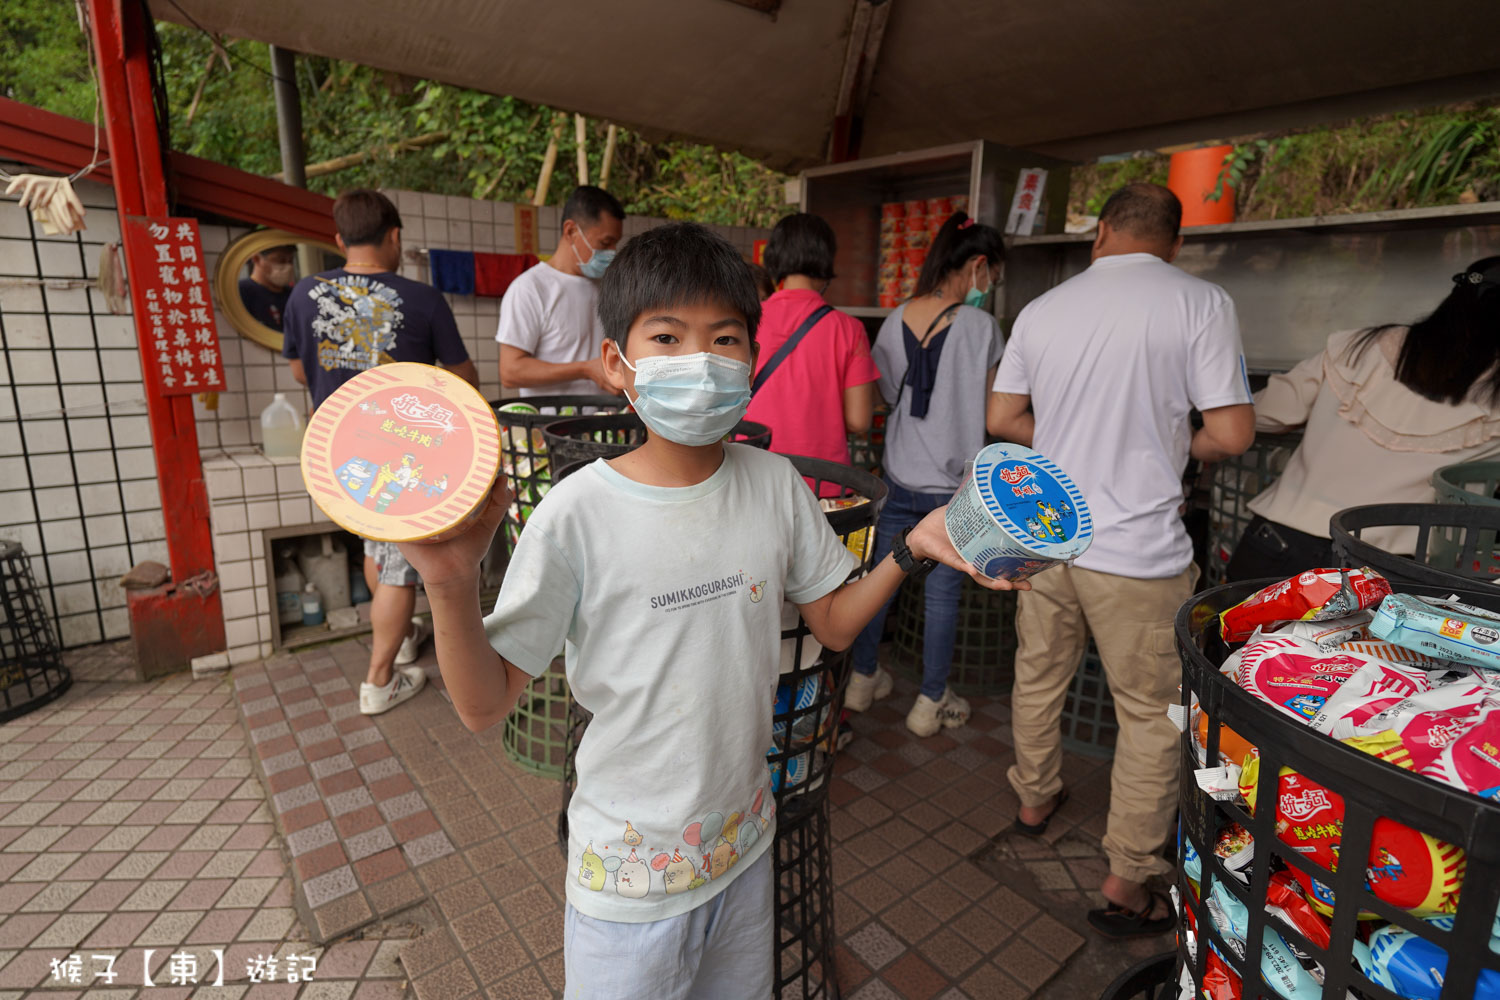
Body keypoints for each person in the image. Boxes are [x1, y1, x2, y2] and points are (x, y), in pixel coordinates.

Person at [394, 222, 1022, 999]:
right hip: (627, 880)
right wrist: (451, 583)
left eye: (725, 337)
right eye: (667, 335)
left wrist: (913, 547)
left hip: (742, 846)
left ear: (751, 359)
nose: (700, 359)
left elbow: (829, 623)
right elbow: (485, 704)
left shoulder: (773, 484)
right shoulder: (576, 512)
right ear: (618, 364)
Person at [987, 182, 1255, 936]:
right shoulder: (1199, 303)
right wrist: (1181, 444)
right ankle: (1125, 878)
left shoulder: (1044, 309)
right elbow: (1233, 433)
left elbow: (1002, 419)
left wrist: (1070, 445)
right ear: (1175, 241)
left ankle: (1034, 800)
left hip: (1046, 537)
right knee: (1148, 714)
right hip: (1138, 553)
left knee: (1038, 674)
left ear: (1100, 232)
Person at [282, 189, 480, 716]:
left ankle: (402, 637)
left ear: (340, 239)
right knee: (398, 567)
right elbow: (463, 380)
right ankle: (378, 680)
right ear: (394, 236)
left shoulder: (304, 293)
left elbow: (301, 370)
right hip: (402, 456)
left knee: (376, 550)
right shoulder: (422, 299)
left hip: (336, 452)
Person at [1228, 257, 1500, 580]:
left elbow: (1265, 413)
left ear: (1455, 298)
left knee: (1231, 631)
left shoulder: (1359, 347)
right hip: (1385, 571)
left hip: (1281, 544)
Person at [846, 212, 1006, 737]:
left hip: (898, 476)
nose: (991, 289)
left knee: (880, 584)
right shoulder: (983, 327)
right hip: (954, 489)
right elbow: (991, 412)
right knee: (942, 599)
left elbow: (886, 397)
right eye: (993, 277)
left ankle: (862, 680)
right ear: (978, 266)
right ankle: (929, 701)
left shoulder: (895, 320)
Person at [744, 213, 880, 477]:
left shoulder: (746, 321)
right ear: (826, 259)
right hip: (823, 480)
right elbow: (859, 419)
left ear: (775, 256)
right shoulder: (848, 328)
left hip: (752, 473)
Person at [496, 185, 625, 396]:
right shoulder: (530, 288)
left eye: (615, 244)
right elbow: (510, 372)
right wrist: (585, 369)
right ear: (571, 231)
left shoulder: (608, 288)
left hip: (604, 423)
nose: (612, 252)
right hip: (547, 426)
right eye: (605, 242)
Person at [239, 243, 296, 330]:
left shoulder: (294, 294)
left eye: (290, 261)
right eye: (280, 260)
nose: (288, 266)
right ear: (257, 259)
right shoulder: (242, 291)